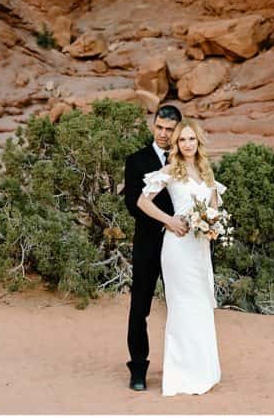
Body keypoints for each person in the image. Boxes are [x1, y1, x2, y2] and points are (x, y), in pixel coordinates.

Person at [137, 119, 225, 396]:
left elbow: (214, 208)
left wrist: (213, 225)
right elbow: (142, 201)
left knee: (200, 306)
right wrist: (169, 221)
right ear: (176, 144)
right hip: (177, 248)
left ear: (198, 142)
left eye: (191, 139)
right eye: (182, 140)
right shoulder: (170, 171)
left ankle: (203, 371)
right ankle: (181, 375)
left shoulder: (206, 172)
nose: (187, 144)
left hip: (199, 249)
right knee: (183, 307)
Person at [123, 104, 182, 391]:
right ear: (153, 125)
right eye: (159, 127)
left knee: (181, 306)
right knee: (140, 307)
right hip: (148, 243)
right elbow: (133, 203)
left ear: (177, 131)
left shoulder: (187, 160)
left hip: (181, 248)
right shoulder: (136, 161)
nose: (163, 134)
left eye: (169, 130)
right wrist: (167, 221)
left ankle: (182, 366)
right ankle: (138, 369)